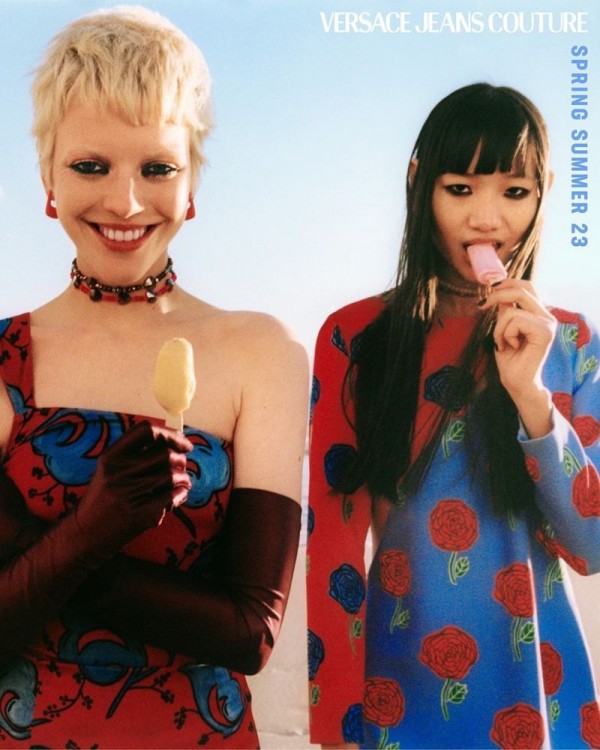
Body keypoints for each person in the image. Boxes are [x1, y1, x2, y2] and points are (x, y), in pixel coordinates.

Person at [0, 6, 308, 748]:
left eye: (157, 168)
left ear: (191, 181)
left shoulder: (261, 352)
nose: (125, 201)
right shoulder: (6, 356)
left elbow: (249, 632)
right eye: (91, 166)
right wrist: (92, 529)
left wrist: (55, 551)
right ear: (48, 176)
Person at [306, 83, 600, 749]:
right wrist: (336, 728)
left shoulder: (572, 344)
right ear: (419, 184)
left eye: (514, 192)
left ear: (545, 194)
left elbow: (590, 546)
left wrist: (530, 395)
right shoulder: (355, 337)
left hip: (539, 694)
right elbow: (334, 544)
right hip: (394, 692)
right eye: (460, 189)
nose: (487, 218)